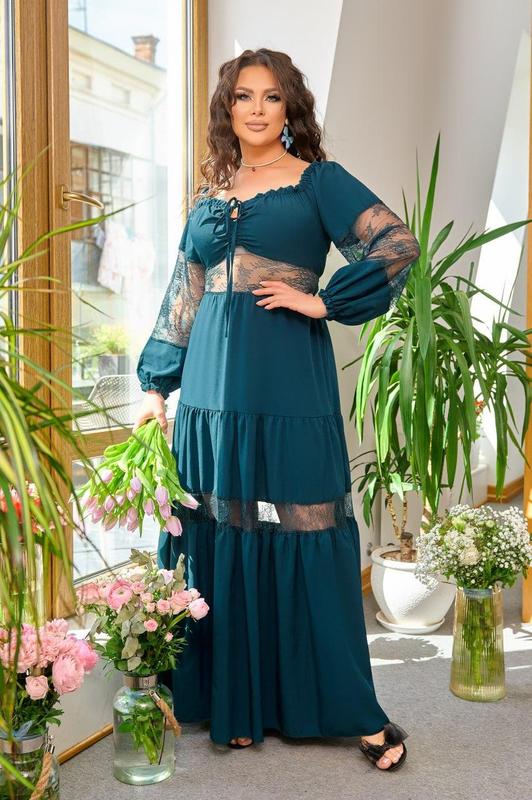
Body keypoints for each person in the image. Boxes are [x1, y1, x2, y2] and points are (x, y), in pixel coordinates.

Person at [133, 47, 420, 772]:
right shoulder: (210, 193)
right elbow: (184, 295)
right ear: (227, 109)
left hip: (289, 380)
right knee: (218, 528)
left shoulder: (317, 181)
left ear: (289, 108)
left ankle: (354, 711)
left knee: (306, 526)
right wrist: (156, 387)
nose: (256, 109)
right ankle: (236, 701)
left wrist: (323, 302)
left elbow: (396, 244)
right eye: (243, 97)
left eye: (270, 96)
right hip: (208, 393)